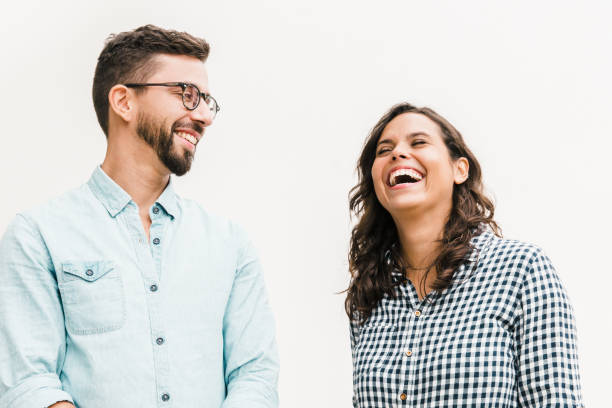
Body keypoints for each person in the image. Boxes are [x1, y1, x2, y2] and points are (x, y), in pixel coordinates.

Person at [0, 25, 278, 408]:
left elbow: (255, 377)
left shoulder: (230, 244)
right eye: (187, 94)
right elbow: (29, 383)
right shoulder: (37, 235)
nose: (204, 116)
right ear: (123, 102)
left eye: (207, 101)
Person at [346, 103, 583, 407]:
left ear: (459, 169)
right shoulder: (368, 293)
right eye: (384, 150)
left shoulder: (521, 270)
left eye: (418, 142)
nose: (397, 153)